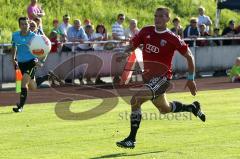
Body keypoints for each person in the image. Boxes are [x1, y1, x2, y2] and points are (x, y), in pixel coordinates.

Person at [116, 7, 206, 149]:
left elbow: (189, 56)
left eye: (161, 16)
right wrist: (124, 52)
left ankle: (131, 139)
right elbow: (133, 45)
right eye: (155, 16)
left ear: (167, 19)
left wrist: (190, 78)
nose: (157, 18)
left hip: (162, 80)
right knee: (165, 109)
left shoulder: (172, 38)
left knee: (135, 100)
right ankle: (192, 107)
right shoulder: (146, 31)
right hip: (148, 79)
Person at [11, 17, 39, 112]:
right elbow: (14, 47)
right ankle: (46, 77)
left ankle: (20, 107)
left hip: (31, 62)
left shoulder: (34, 36)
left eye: (26, 24)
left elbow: (44, 48)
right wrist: (13, 58)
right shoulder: (15, 35)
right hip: (21, 63)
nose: (24, 26)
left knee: (23, 83)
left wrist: (40, 61)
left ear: (28, 24)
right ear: (19, 25)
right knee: (32, 86)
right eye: (22, 24)